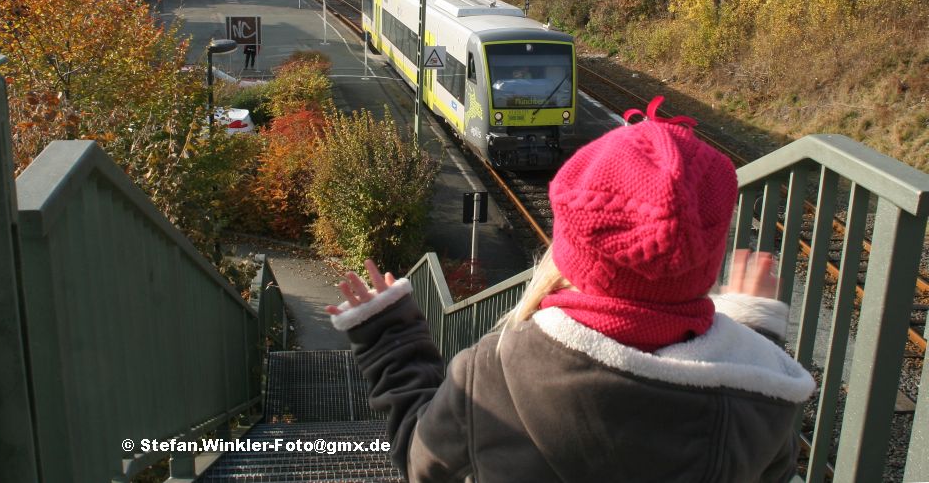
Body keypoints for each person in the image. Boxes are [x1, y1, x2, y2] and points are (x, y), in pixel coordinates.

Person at [326, 96, 815, 482]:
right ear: (707, 260)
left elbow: (420, 462)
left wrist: (388, 335)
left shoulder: (494, 374)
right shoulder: (767, 400)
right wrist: (753, 343)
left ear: (571, 248)